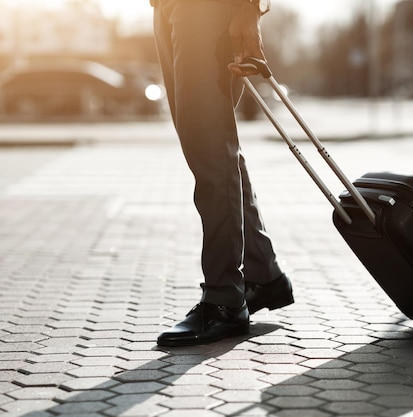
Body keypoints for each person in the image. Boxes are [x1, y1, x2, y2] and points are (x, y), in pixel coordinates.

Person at [150, 0, 294, 347]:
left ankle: (224, 299)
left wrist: (249, 9)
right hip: (165, 7)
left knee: (210, 147)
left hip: (207, 9)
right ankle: (261, 273)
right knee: (210, 144)